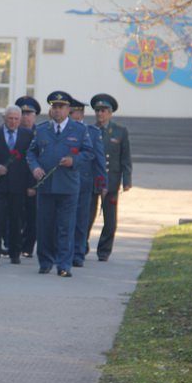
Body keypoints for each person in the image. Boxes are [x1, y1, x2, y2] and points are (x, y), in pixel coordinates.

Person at [27, 91, 94, 278]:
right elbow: (31, 153)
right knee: (45, 226)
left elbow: (89, 152)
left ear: (68, 109)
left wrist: (74, 161)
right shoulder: (41, 129)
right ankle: (45, 262)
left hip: (68, 186)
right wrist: (35, 167)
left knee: (66, 226)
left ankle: (64, 264)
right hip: (46, 186)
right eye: (54, 107)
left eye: (61, 107)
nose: (57, 110)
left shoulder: (79, 130)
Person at [0, 105, 33, 265]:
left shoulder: (27, 135)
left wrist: (31, 184)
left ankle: (15, 252)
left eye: (16, 119)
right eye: (10, 118)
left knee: (16, 219)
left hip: (19, 185)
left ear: (20, 120)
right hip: (0, 185)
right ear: (4, 118)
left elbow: (31, 160)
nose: (13, 122)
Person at [88, 93, 132, 262]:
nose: (100, 114)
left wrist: (126, 180)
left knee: (110, 220)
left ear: (110, 112)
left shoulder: (120, 132)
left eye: (104, 110)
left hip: (111, 181)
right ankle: (81, 246)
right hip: (92, 181)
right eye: (98, 110)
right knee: (86, 217)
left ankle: (104, 251)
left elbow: (125, 158)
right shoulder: (89, 131)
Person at [69, 98, 107, 267]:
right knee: (64, 219)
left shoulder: (91, 132)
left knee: (82, 220)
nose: (70, 116)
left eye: (72, 113)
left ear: (81, 114)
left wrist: (102, 183)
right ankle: (64, 251)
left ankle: (78, 253)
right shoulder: (63, 129)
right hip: (66, 180)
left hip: (85, 183)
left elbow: (99, 160)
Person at [15, 96, 41, 258]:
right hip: (15, 182)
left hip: (33, 182)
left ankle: (27, 246)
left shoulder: (41, 133)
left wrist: (34, 185)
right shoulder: (12, 132)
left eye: (29, 113)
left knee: (32, 216)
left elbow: (40, 161)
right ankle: (14, 244)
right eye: (22, 113)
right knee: (15, 216)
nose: (25, 116)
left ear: (35, 115)